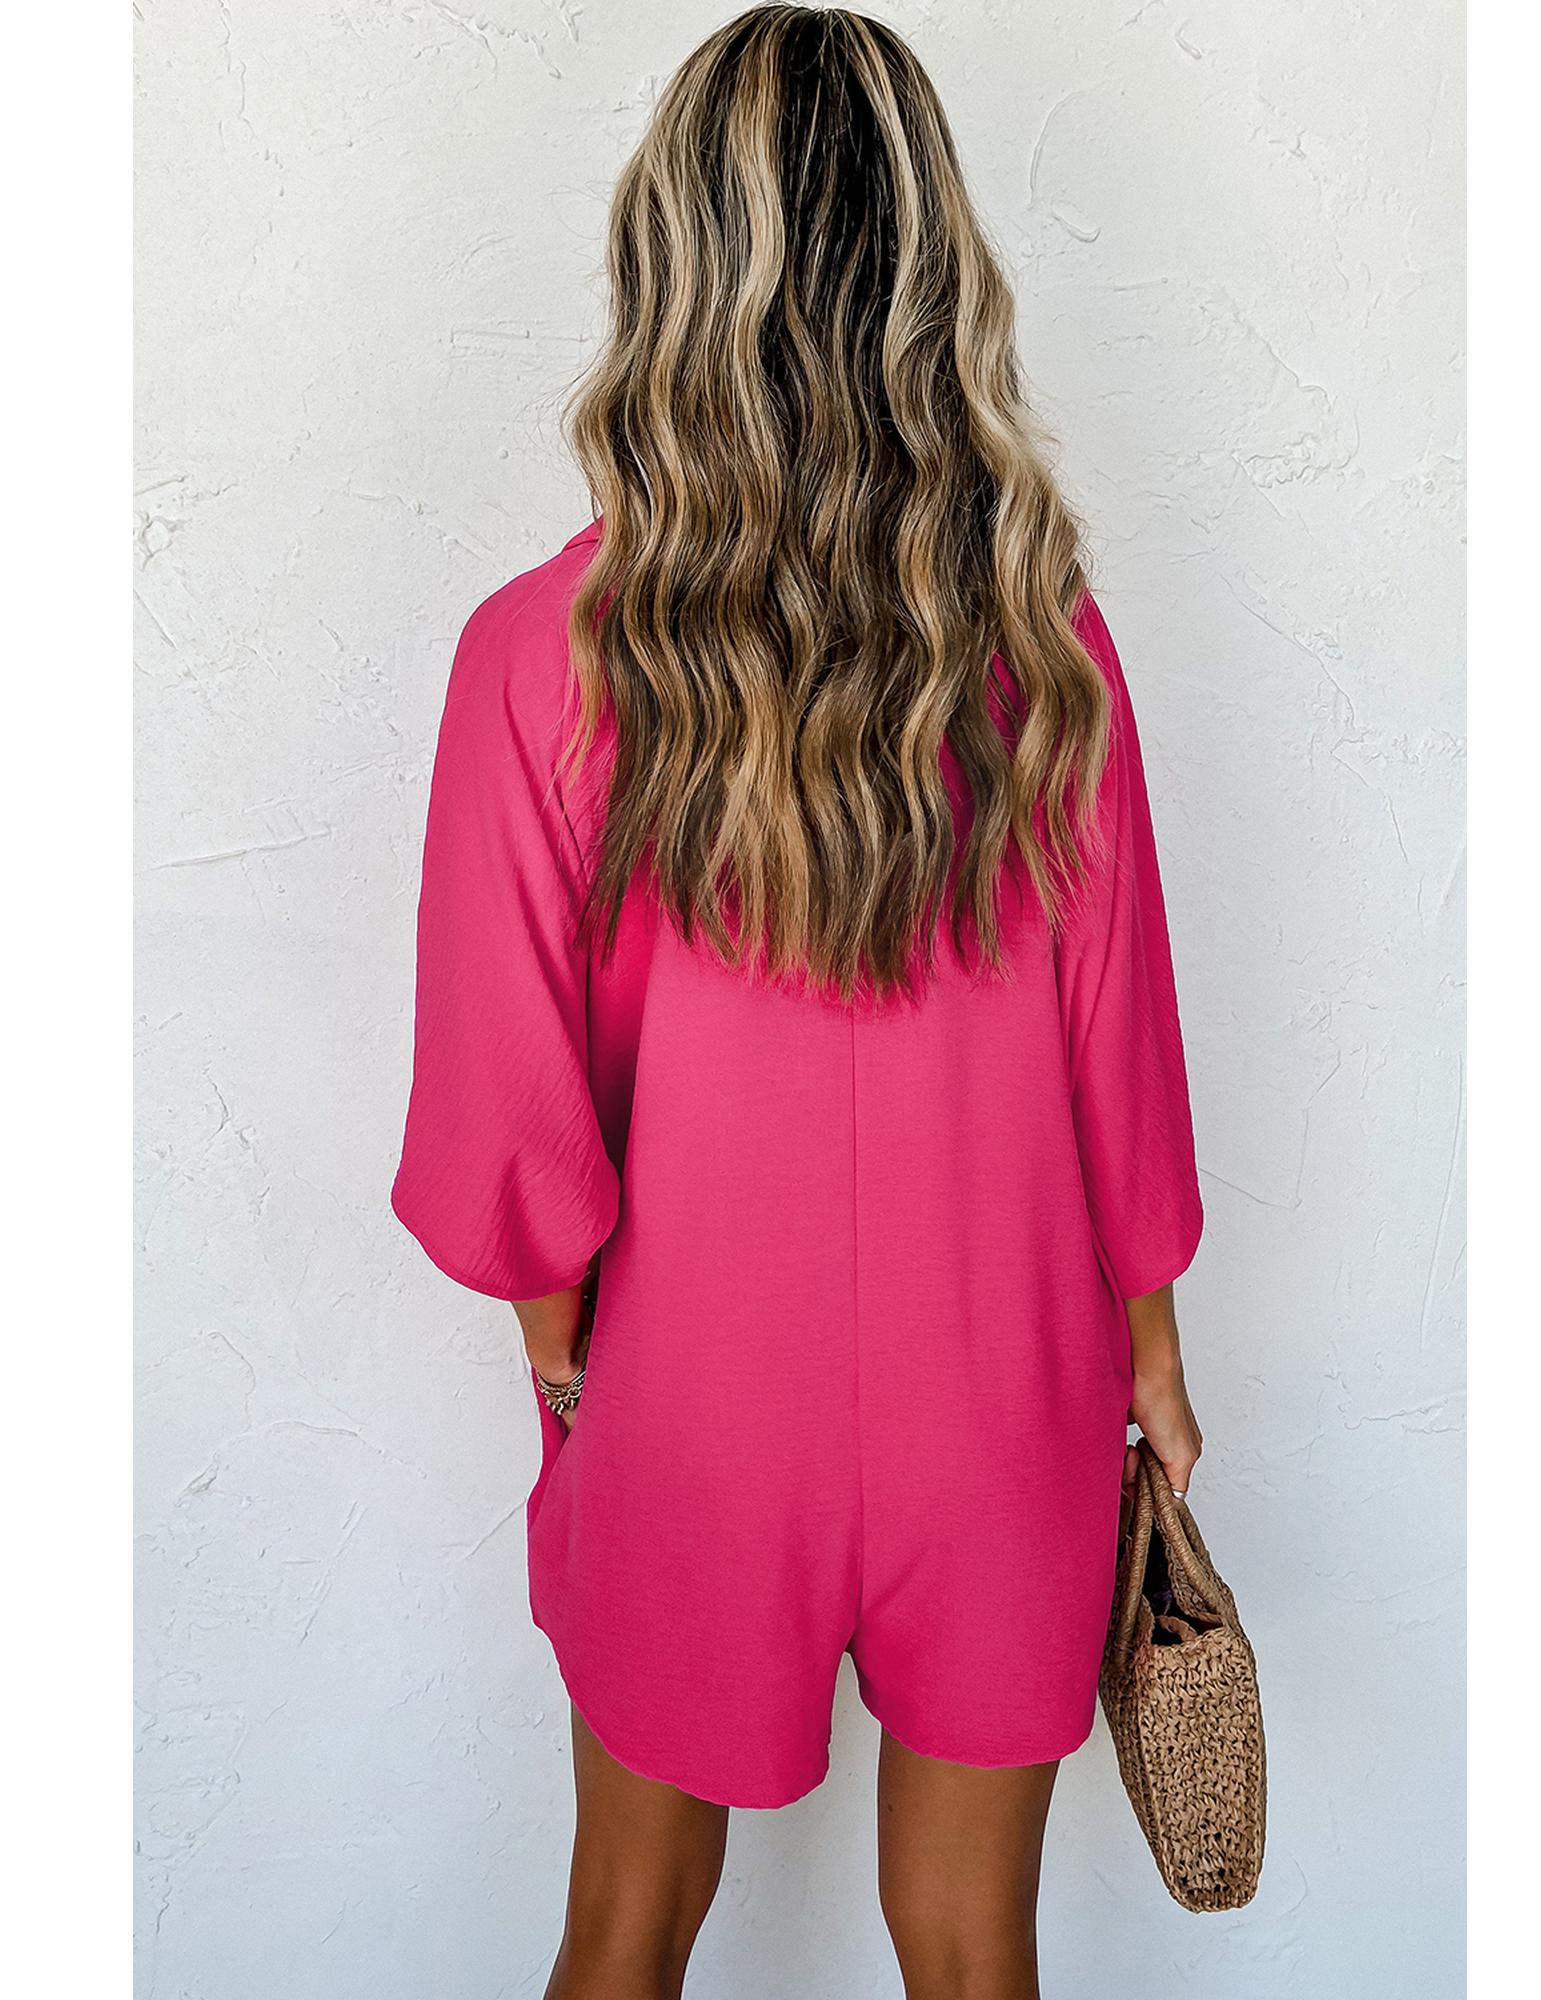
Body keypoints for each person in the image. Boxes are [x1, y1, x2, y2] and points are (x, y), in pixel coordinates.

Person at [393, 7, 1205, 1996]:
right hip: (1005, 1390)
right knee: (970, 1945)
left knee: (623, 1925)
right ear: (931, 275)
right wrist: (1151, 1357)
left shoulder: (533, 659)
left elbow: (510, 1125)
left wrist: (568, 1371)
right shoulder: (1046, 649)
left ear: (670, 267)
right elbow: (1118, 1056)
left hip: (691, 1398)